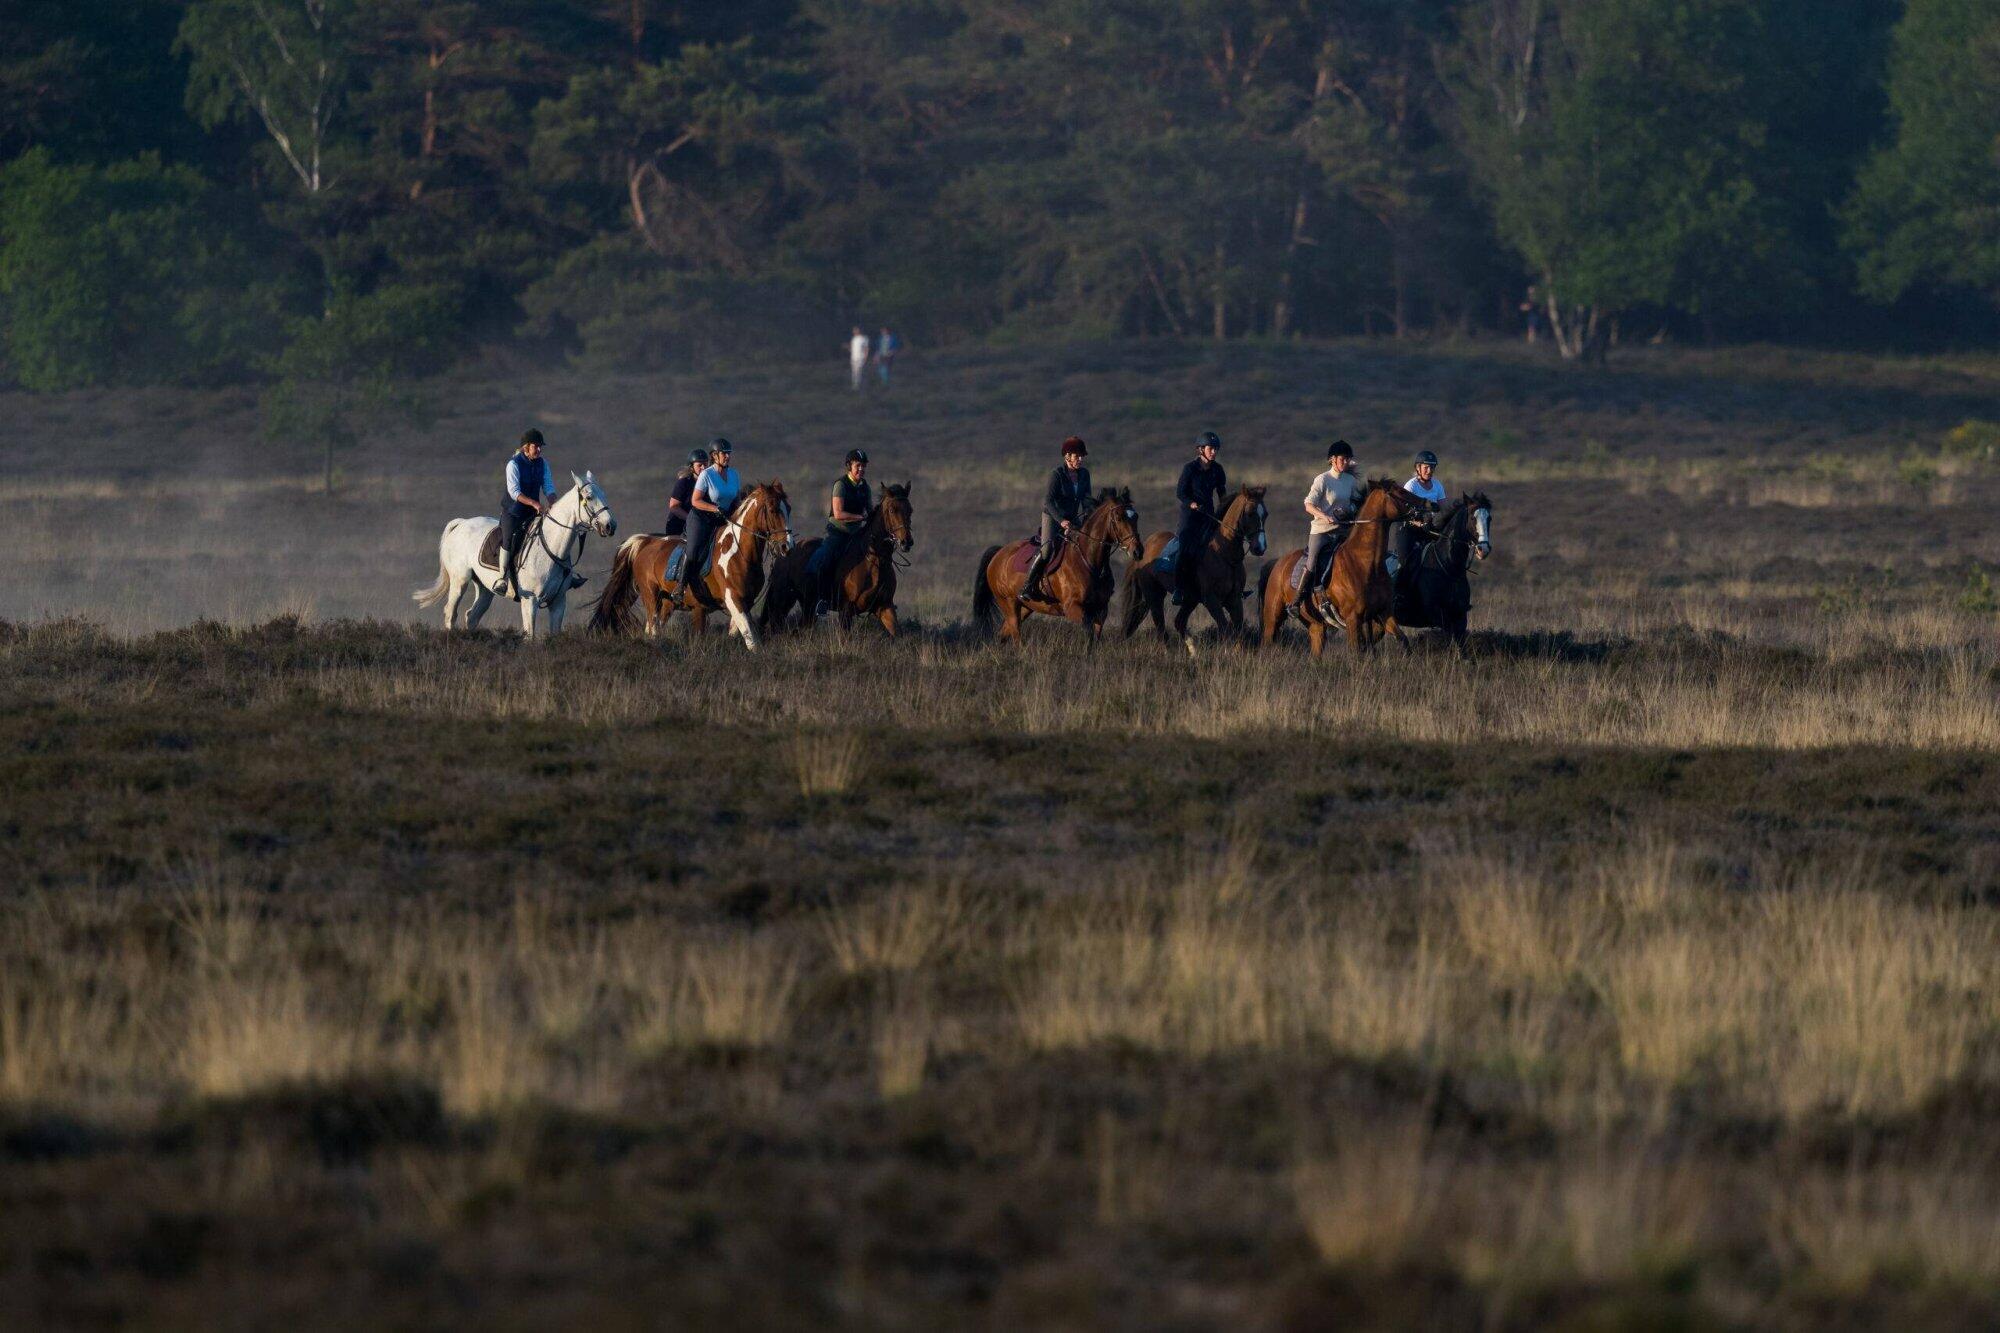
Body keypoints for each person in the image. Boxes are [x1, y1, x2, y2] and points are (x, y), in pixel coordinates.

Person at [1294, 439, 1365, 614]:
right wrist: (1325, 516)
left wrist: (1350, 510)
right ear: (1332, 459)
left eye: (1348, 459)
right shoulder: (1322, 479)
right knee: (1312, 562)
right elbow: (1308, 505)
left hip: (1343, 530)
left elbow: (1356, 502)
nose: (1346, 462)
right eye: (1342, 459)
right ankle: (1296, 600)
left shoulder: (1350, 480)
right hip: (1322, 531)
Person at [1025, 436, 1092, 601]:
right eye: (1077, 456)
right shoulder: (1057, 474)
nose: (1081, 459)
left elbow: (1087, 500)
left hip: (1073, 518)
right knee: (1047, 550)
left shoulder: (1084, 474)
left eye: (1082, 456)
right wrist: (1061, 521)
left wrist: (1088, 517)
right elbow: (1048, 501)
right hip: (1053, 516)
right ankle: (1028, 586)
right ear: (1067, 456)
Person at [814, 449, 873, 616]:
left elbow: (869, 510)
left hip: (857, 533)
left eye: (863, 466)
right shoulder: (840, 485)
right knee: (826, 560)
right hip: (838, 533)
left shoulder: (865, 487)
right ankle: (823, 600)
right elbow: (838, 514)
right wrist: (860, 517)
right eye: (858, 465)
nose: (861, 469)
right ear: (849, 466)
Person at [497, 428, 555, 599]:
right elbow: (514, 492)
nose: (539, 449)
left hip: (532, 512)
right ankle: (502, 578)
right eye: (536, 446)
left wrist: (553, 502)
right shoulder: (513, 465)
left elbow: (548, 487)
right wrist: (535, 503)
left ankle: (562, 574)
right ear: (526, 447)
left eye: (540, 446)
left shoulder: (543, 464)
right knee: (508, 539)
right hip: (513, 512)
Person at [1172, 431, 1228, 605]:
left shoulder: (1218, 470)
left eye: (1216, 449)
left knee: (1226, 545)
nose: (1214, 452)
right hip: (1190, 517)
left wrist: (1226, 507)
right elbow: (1180, 492)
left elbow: (1222, 492)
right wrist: (1192, 503)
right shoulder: (1189, 469)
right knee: (1183, 547)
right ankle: (1178, 589)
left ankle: (1234, 586)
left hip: (1208, 515)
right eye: (1211, 449)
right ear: (1201, 449)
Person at [683, 437, 740, 607]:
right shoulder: (706, 474)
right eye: (724, 453)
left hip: (723, 519)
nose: (727, 456)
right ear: (714, 456)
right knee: (693, 550)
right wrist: (715, 508)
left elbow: (736, 500)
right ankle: (681, 586)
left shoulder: (734, 474)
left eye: (729, 453)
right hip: (701, 518)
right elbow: (695, 500)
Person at [1392, 449, 1448, 580]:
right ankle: (1398, 588)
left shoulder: (1437, 485)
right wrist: (1421, 524)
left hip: (1429, 527)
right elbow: (1405, 515)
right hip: (1408, 528)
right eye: (1426, 467)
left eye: (1432, 467)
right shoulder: (1411, 486)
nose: (1429, 471)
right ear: (1418, 468)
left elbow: (1444, 509)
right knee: (1405, 562)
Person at [665, 448, 709, 537]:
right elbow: (674, 506)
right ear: (691, 467)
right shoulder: (684, 482)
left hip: (702, 525)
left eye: (705, 464)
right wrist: (691, 519)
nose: (703, 468)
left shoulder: (710, 482)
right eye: (699, 465)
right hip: (678, 526)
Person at [849, 326, 871, 391]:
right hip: (853, 358)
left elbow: (866, 348)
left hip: (861, 358)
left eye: (855, 330)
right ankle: (855, 385)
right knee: (854, 372)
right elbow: (852, 349)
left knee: (859, 372)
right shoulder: (853, 339)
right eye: (853, 330)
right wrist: (848, 348)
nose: (854, 331)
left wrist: (866, 357)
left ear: (859, 330)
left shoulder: (864, 338)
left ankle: (860, 385)